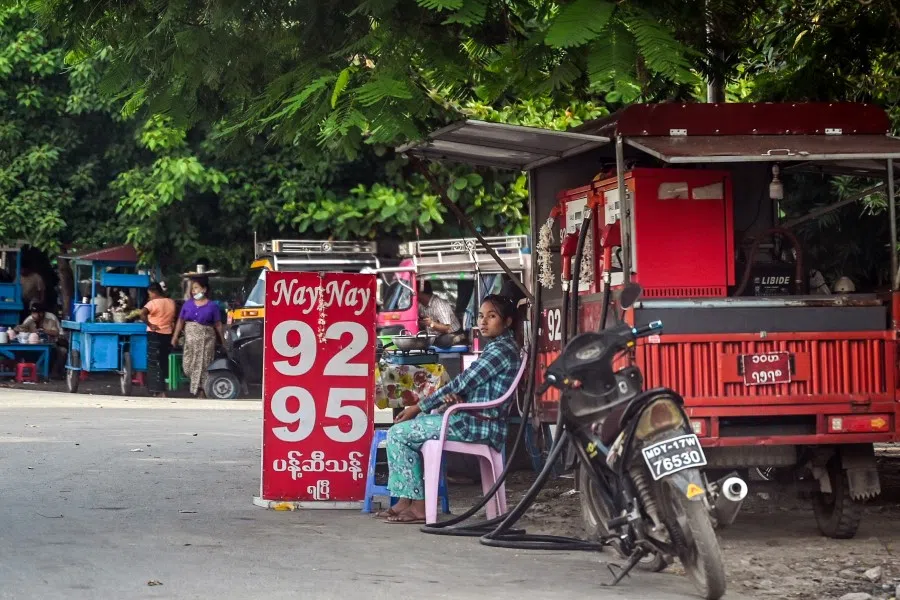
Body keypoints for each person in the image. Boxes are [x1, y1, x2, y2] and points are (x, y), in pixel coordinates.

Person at [379, 294, 521, 524]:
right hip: (474, 418)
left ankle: (418, 507)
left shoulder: (501, 351)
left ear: (507, 322)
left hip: (476, 425)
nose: (483, 322)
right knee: (413, 427)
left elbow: (463, 381)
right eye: (481, 316)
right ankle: (406, 500)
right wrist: (459, 399)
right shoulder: (499, 347)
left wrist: (419, 406)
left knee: (399, 433)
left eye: (492, 316)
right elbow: (473, 386)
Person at [171, 277, 224, 398]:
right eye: (192, 289)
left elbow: (218, 324)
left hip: (206, 339)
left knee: (204, 364)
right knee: (188, 366)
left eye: (196, 288)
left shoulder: (212, 306)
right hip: (190, 339)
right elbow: (180, 321)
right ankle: (198, 386)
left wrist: (223, 340)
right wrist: (175, 336)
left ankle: (202, 390)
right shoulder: (188, 304)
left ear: (204, 289)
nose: (193, 291)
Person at [142, 283, 177, 397]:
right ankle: (163, 390)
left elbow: (142, 314)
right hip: (167, 334)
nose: (149, 296)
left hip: (154, 333)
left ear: (153, 292)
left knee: (153, 362)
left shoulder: (152, 303)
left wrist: (150, 324)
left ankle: (156, 391)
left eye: (149, 294)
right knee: (163, 362)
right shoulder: (171, 302)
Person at [15, 302, 66, 376]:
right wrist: (17, 329)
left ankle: (55, 373)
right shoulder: (29, 319)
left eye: (38, 313)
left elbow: (57, 333)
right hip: (34, 346)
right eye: (33, 313)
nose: (35, 315)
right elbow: (22, 329)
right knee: (22, 352)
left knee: (62, 351)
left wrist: (44, 331)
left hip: (52, 345)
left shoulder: (51, 317)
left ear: (42, 313)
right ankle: (32, 372)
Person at [418, 281, 464, 348]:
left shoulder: (439, 304)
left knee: (443, 341)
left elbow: (446, 328)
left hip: (450, 333)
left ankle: (458, 338)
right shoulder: (420, 305)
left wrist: (431, 324)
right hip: (434, 335)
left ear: (420, 293)